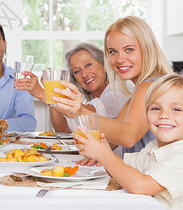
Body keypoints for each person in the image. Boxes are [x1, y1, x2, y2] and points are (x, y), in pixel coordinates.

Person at [18, 16, 173, 158]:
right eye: (113, 51)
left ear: (147, 47)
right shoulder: (147, 87)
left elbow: (128, 136)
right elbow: (112, 142)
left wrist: (76, 110)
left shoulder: (148, 86)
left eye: (129, 50)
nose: (119, 59)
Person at [75, 74, 183, 209]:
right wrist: (104, 148)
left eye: (176, 109)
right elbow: (123, 171)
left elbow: (140, 185)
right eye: (155, 108)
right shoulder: (153, 148)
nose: (164, 115)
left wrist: (103, 154)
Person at [46, 43, 131, 133]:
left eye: (88, 65)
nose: (84, 74)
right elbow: (63, 130)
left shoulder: (120, 89)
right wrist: (52, 90)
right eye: (77, 71)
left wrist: (48, 94)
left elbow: (93, 116)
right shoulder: (89, 102)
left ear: (103, 64)